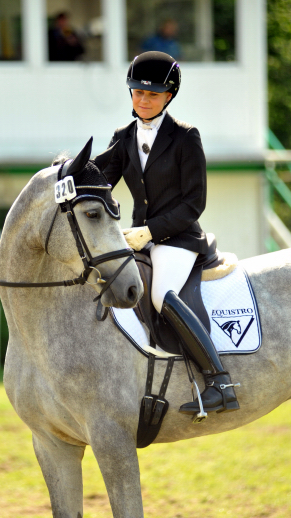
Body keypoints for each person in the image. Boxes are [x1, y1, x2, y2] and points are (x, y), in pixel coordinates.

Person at [103, 51, 240, 416]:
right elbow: (100, 179)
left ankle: (220, 382)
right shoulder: (123, 137)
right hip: (140, 239)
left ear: (169, 96)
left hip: (177, 238)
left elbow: (194, 203)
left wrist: (149, 231)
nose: (143, 100)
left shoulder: (185, 137)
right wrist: (65, 174)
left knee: (161, 294)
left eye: (152, 95)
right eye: (137, 93)